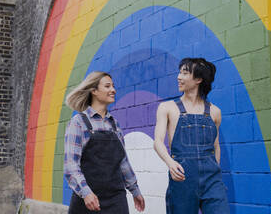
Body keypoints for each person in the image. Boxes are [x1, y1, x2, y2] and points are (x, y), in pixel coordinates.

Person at [154, 58, 230, 213]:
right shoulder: (167, 108)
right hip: (183, 177)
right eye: (179, 72)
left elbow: (215, 146)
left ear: (198, 80)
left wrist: (216, 171)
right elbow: (158, 142)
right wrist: (170, 163)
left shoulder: (215, 112)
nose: (179, 77)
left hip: (212, 180)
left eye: (185, 73)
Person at [64, 71, 145, 214]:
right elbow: (71, 165)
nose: (113, 90)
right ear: (93, 90)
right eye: (107, 86)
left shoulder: (115, 126)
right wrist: (86, 192)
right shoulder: (78, 123)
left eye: (113, 86)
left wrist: (135, 190)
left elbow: (123, 162)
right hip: (87, 200)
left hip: (116, 199)